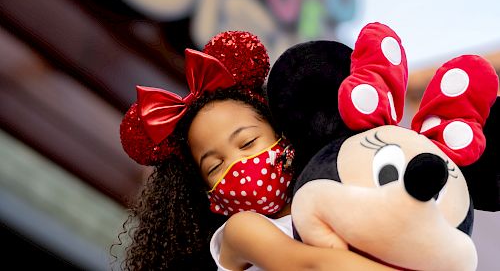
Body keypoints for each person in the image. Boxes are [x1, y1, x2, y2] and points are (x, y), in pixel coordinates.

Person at [116, 30, 396, 270]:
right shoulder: (240, 232)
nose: (238, 164)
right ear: (209, 195)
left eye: (248, 143)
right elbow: (312, 265)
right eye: (215, 166)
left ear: (283, 137)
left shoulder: (331, 193)